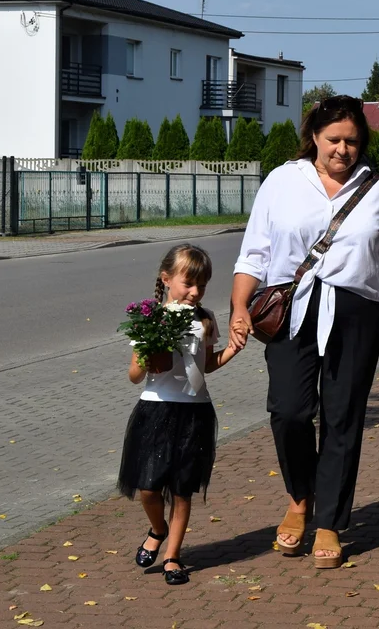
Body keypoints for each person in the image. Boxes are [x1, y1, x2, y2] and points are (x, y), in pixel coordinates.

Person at [230, 95, 379, 569]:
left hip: (355, 313)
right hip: (290, 309)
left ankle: (330, 522)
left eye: (352, 141)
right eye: (333, 139)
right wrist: (239, 306)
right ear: (314, 136)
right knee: (289, 411)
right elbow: (254, 251)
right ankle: (300, 498)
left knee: (342, 417)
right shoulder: (281, 181)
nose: (342, 150)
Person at [118, 244, 239, 586]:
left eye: (202, 284)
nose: (196, 291)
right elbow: (134, 376)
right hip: (155, 409)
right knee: (148, 487)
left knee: (183, 489)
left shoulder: (205, 318)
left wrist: (231, 349)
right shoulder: (150, 319)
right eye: (188, 283)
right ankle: (158, 529)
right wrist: (145, 355)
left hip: (195, 412)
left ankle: (173, 556)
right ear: (166, 279)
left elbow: (206, 366)